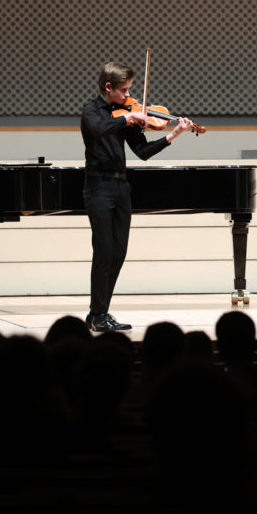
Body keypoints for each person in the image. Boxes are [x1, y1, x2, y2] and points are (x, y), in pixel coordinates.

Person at [81, 61, 192, 332]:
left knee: (118, 252)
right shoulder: (92, 111)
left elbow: (142, 151)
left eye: (130, 90)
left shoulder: (124, 114)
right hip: (98, 187)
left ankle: (100, 313)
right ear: (108, 87)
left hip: (121, 188)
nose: (129, 97)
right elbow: (100, 130)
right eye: (123, 91)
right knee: (104, 251)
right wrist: (128, 117)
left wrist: (173, 135)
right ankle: (98, 314)